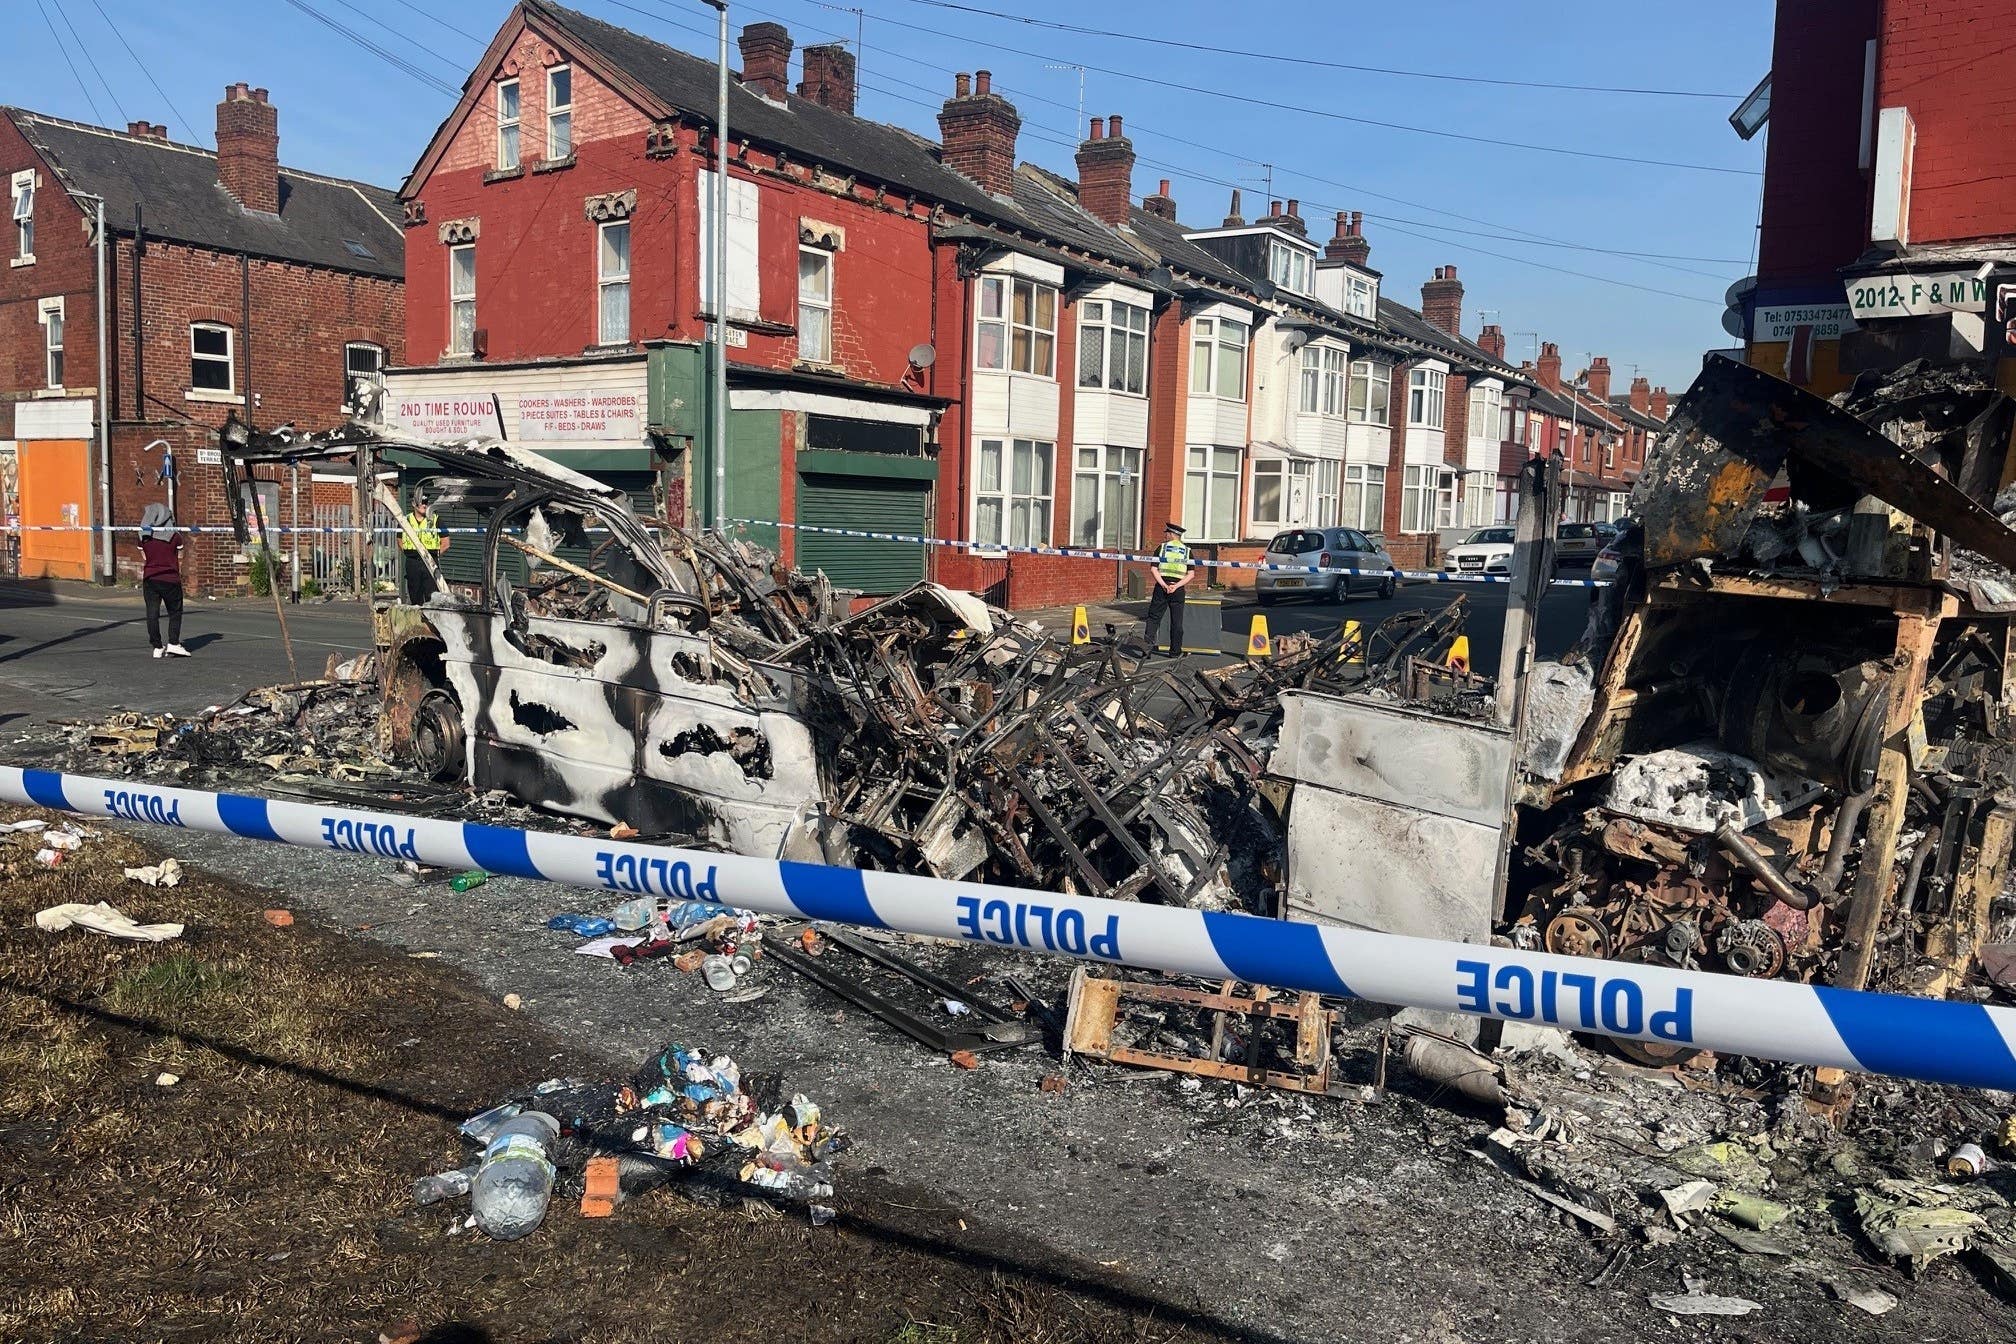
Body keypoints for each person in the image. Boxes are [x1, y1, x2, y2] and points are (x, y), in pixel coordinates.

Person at [138, 502, 189, 658]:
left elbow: (144, 556)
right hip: (170, 578)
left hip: (150, 578)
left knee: (152, 613)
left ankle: (157, 646)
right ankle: (173, 643)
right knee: (175, 611)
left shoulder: (143, 536)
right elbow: (181, 555)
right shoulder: (174, 536)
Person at [1142, 522, 1193, 656]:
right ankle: (1175, 652)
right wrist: (1176, 586)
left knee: (1153, 618)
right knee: (1177, 621)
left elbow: (1153, 569)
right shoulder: (1187, 551)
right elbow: (1191, 574)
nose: (1165, 536)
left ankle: (1146, 651)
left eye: (1167, 534)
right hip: (1178, 589)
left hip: (1161, 586)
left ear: (1171, 535)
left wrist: (1164, 585)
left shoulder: (1162, 548)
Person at [399, 491, 449, 605]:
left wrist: (433, 556)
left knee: (432, 596)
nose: (424, 505)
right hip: (413, 562)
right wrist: (410, 554)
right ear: (413, 504)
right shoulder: (405, 521)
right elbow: (400, 540)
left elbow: (446, 543)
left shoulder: (436, 520)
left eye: (426, 502)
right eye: (421, 502)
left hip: (430, 561)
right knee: (415, 595)